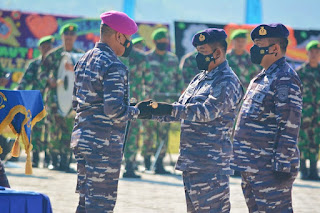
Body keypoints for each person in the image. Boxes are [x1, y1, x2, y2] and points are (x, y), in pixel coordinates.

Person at [144, 28, 243, 212]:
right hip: (192, 162)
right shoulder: (200, 78)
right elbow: (180, 109)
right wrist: (149, 111)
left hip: (210, 165)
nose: (198, 57)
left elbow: (206, 112)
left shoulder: (227, 81)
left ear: (218, 52)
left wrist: (169, 108)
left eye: (203, 52)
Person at [71, 11, 149, 212]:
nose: (129, 44)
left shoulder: (84, 59)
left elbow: (75, 102)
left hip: (83, 139)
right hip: (102, 144)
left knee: (85, 201)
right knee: (100, 205)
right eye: (128, 39)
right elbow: (114, 110)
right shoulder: (114, 65)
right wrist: (136, 111)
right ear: (119, 36)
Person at [231, 24, 302, 212]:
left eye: (259, 44)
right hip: (252, 165)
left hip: (270, 169)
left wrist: (282, 164)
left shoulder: (285, 78)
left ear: (275, 49)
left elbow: (289, 123)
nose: (253, 49)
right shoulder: (261, 77)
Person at [41, 23, 83, 172]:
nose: (69, 38)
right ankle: (54, 160)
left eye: (72, 36)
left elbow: (85, 75)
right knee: (54, 130)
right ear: (62, 36)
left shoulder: (80, 56)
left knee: (69, 132)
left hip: (71, 100)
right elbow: (42, 72)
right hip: (54, 99)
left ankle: (65, 162)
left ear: (75, 37)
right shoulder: (53, 55)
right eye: (67, 35)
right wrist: (49, 80)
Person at [143, 28, 183, 174]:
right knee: (148, 132)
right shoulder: (146, 58)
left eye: (165, 40)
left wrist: (178, 96)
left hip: (166, 102)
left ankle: (159, 162)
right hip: (150, 101)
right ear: (154, 42)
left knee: (163, 132)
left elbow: (179, 79)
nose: (164, 43)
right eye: (161, 41)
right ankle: (147, 161)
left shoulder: (173, 59)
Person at [18, 35, 54, 168]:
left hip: (51, 101)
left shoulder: (55, 65)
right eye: (44, 47)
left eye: (49, 47)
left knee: (50, 130)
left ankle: (49, 159)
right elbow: (24, 81)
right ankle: (35, 157)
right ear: (40, 48)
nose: (47, 50)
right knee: (35, 129)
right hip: (36, 101)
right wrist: (19, 91)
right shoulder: (35, 64)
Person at [121, 37, 150, 178]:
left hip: (129, 101)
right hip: (123, 101)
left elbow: (149, 80)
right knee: (127, 134)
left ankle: (128, 165)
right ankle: (126, 165)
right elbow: (149, 81)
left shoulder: (139, 57)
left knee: (131, 134)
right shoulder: (116, 54)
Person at [296, 40, 320, 180]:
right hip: (304, 112)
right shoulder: (300, 72)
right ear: (307, 53)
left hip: (318, 114)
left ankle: (313, 170)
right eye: (312, 51)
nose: (314, 54)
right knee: (302, 140)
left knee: (315, 140)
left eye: (317, 52)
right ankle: (303, 170)